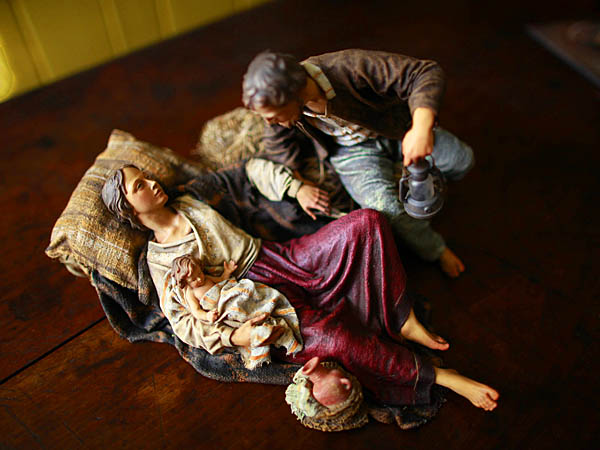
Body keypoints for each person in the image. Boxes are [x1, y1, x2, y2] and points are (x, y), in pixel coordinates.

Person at [101, 162, 499, 411]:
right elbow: (185, 326)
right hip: (260, 305)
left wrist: (294, 187)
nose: (151, 183)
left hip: (281, 257)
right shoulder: (159, 261)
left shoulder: (190, 197)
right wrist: (237, 335)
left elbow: (245, 172)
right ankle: (440, 377)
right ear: (130, 210)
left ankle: (402, 317)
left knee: (366, 222)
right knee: (337, 341)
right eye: (139, 187)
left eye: (146, 176)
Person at [242, 49, 475, 277]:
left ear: (294, 93)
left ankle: (432, 192)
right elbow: (277, 145)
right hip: (351, 152)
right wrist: (299, 184)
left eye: (273, 116)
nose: (270, 122)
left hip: (396, 128)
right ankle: (435, 249)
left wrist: (421, 129)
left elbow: (423, 72)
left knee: (462, 160)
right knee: (388, 209)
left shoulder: (347, 67)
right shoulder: (285, 112)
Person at [168, 253, 302, 369]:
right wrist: (207, 316)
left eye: (200, 274)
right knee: (242, 320)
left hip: (228, 296)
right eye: (194, 279)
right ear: (184, 282)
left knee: (249, 300)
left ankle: (275, 327)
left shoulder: (207, 278)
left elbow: (221, 281)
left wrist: (227, 271)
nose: (199, 279)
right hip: (220, 312)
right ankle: (264, 335)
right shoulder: (190, 293)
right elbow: (196, 311)